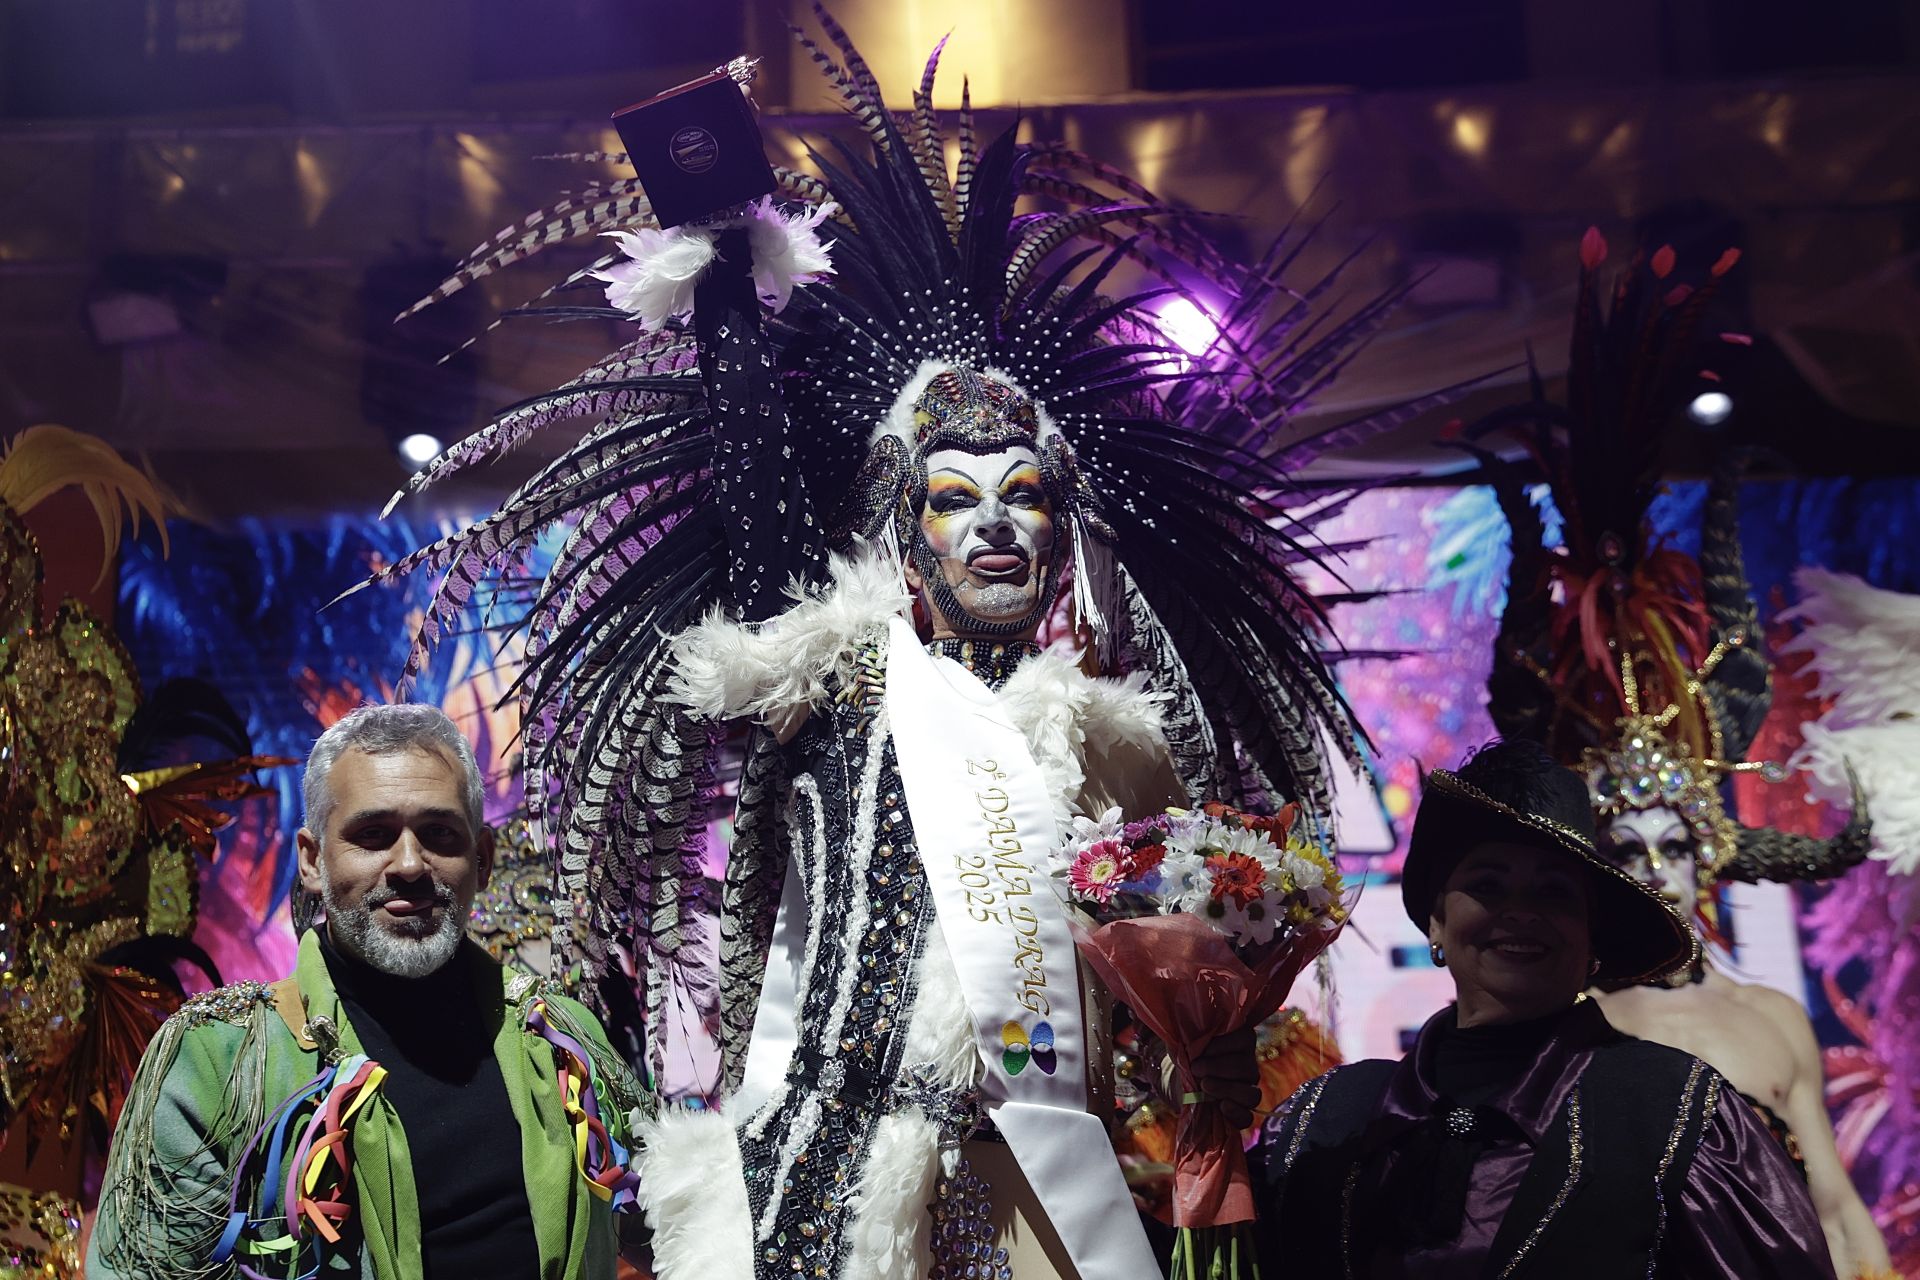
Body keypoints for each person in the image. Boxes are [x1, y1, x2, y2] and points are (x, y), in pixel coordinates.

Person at [361, 19, 1425, 1280]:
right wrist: (726, 280)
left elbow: (1153, 991)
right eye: (954, 495)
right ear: (903, 536)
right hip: (834, 1168)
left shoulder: (1114, 746)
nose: (993, 521)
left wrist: (1210, 1054)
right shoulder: (844, 677)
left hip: (1042, 1180)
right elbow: (758, 518)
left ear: (1061, 527)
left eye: (1024, 493)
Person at [1471, 231, 1888, 1277]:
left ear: (1708, 856)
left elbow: (1836, 1211)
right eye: (1628, 844)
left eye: (1672, 843)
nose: (1653, 866)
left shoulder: (1770, 1019)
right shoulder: (1553, 1021)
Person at [87, 703, 646, 1279]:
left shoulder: (563, 1040)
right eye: (373, 835)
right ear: (312, 860)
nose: (408, 864)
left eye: (439, 834)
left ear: (481, 859)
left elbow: (675, 1221)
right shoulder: (221, 1065)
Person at [1259, 739, 1836, 1278]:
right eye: (1488, 884)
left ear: (1592, 941)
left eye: (1553, 891)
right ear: (1436, 920)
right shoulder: (1326, 1118)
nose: (1520, 912)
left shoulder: (1675, 1113)